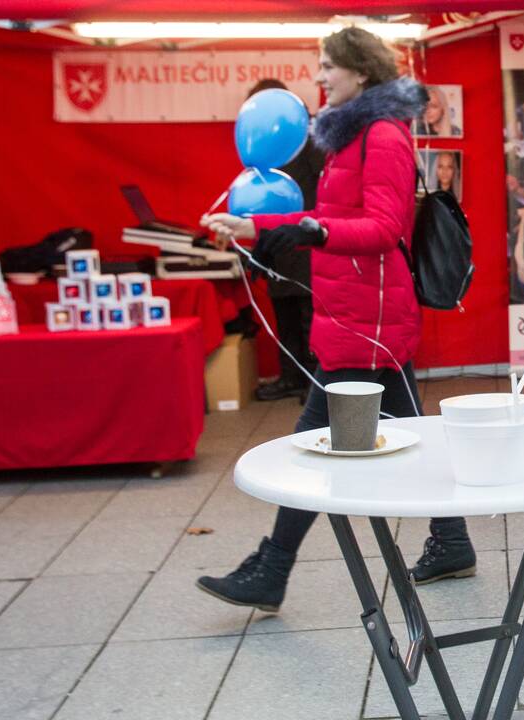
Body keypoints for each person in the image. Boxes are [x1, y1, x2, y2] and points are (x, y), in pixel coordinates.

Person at [196, 27, 476, 613]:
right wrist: (259, 227)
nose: (319, 77)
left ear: (361, 74)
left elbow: (383, 229)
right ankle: (450, 540)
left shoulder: (383, 135)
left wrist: (312, 231)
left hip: (368, 321)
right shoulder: (350, 136)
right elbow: (328, 214)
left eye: (328, 66)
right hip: (352, 314)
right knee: (401, 433)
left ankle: (274, 568)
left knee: (313, 439)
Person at [241, 79, 326, 403]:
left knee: (308, 316)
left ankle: (314, 382)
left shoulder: (308, 138)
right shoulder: (263, 145)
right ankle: (291, 377)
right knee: (284, 315)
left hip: (304, 237)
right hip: (276, 241)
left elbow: (322, 188)